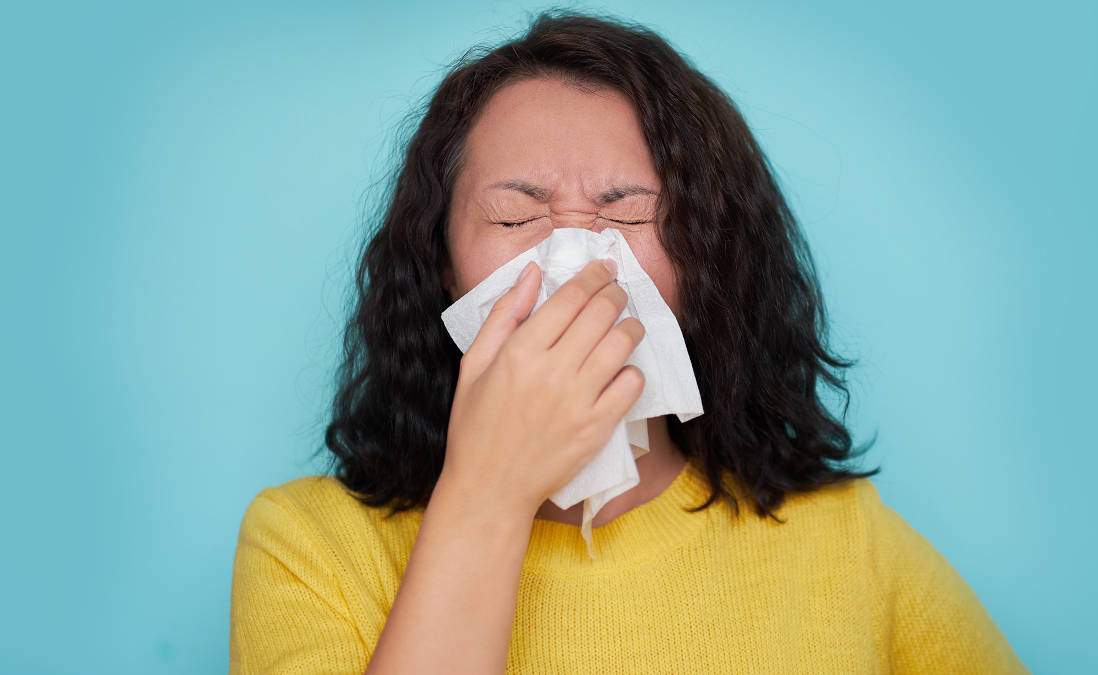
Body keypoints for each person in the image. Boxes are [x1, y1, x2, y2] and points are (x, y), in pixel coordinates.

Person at [229, 10, 1030, 674]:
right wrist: (489, 490)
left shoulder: (849, 539)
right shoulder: (308, 548)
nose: (574, 263)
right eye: (515, 217)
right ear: (441, 263)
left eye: (627, 217)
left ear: (702, 261)